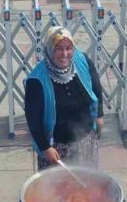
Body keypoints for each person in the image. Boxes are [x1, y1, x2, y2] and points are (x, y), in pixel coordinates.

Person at [24, 26, 105, 170]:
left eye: (69, 48)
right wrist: (45, 147)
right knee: (57, 189)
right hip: (56, 149)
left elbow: (96, 87)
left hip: (86, 141)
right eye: (58, 49)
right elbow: (33, 119)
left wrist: (99, 115)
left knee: (86, 184)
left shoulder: (82, 61)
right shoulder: (37, 80)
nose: (65, 54)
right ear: (49, 49)